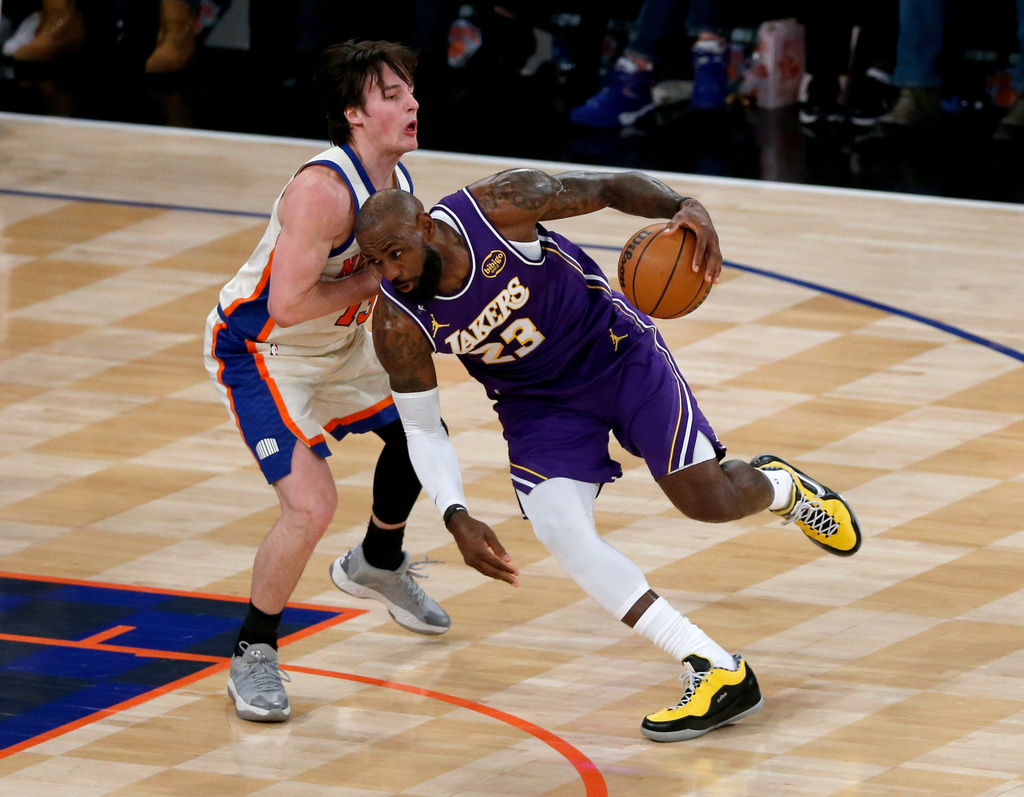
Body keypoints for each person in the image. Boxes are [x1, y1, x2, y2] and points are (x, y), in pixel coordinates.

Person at [353, 168, 862, 742]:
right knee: (560, 529)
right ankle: (715, 667)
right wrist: (455, 513)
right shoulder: (396, 321)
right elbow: (421, 428)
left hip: (617, 355)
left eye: (395, 254)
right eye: (376, 262)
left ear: (425, 226)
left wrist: (683, 205)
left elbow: (611, 188)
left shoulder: (498, 207)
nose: (390, 273)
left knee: (709, 503)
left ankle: (784, 488)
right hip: (540, 406)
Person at [203, 39, 450, 724]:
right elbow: (286, 305)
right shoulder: (322, 191)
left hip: (338, 343)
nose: (412, 103)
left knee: (423, 431)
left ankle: (377, 559)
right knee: (311, 505)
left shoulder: (395, 185)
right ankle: (253, 651)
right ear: (354, 114)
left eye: (410, 90)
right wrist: (375, 279)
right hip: (264, 351)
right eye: (392, 95)